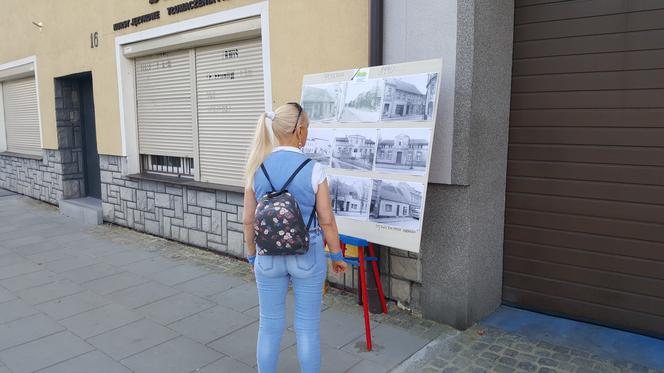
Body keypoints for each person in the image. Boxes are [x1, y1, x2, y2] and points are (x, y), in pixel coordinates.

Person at [242, 102, 349, 373]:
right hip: (307, 254)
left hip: (267, 256)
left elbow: (248, 220)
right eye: (308, 129)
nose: (308, 134)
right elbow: (326, 220)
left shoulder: (257, 167)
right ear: (299, 130)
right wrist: (336, 255)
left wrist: (252, 255)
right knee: (307, 328)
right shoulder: (313, 169)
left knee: (269, 325)